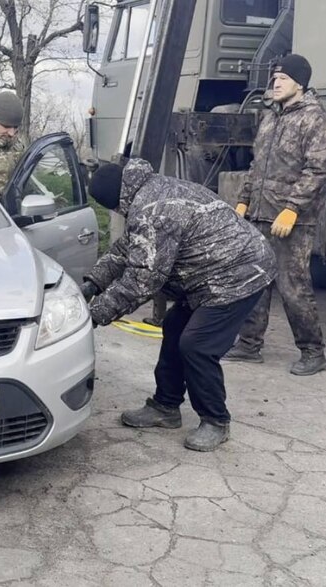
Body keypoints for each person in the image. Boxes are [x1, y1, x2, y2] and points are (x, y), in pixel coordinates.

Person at [82, 159, 277, 451]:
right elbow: (128, 248)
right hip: (210, 272)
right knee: (174, 327)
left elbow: (142, 281)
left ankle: (215, 420)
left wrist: (94, 315)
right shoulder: (148, 189)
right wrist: (93, 283)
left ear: (115, 201)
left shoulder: (153, 210)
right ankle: (166, 406)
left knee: (197, 344)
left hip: (241, 272)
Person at [224, 54, 326, 376]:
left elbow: (317, 171)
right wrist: (244, 201)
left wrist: (292, 208)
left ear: (300, 83)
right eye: (274, 77)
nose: (275, 83)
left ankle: (313, 352)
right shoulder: (271, 117)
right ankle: (249, 345)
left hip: (292, 220)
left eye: (283, 78)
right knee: (255, 280)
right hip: (260, 213)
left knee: (293, 287)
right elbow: (257, 165)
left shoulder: (315, 119)